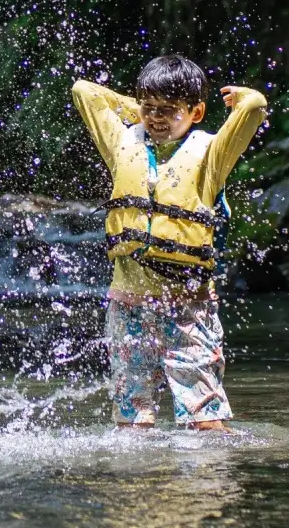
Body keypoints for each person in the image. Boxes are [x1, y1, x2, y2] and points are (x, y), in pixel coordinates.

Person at [71, 56, 267, 431]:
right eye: (149, 108)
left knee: (205, 421)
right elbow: (84, 91)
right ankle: (140, 488)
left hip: (187, 312)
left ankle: (208, 486)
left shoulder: (211, 156)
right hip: (128, 308)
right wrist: (141, 109)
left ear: (196, 112)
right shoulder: (122, 143)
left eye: (168, 111)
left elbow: (255, 106)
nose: (156, 119)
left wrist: (245, 96)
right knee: (132, 423)